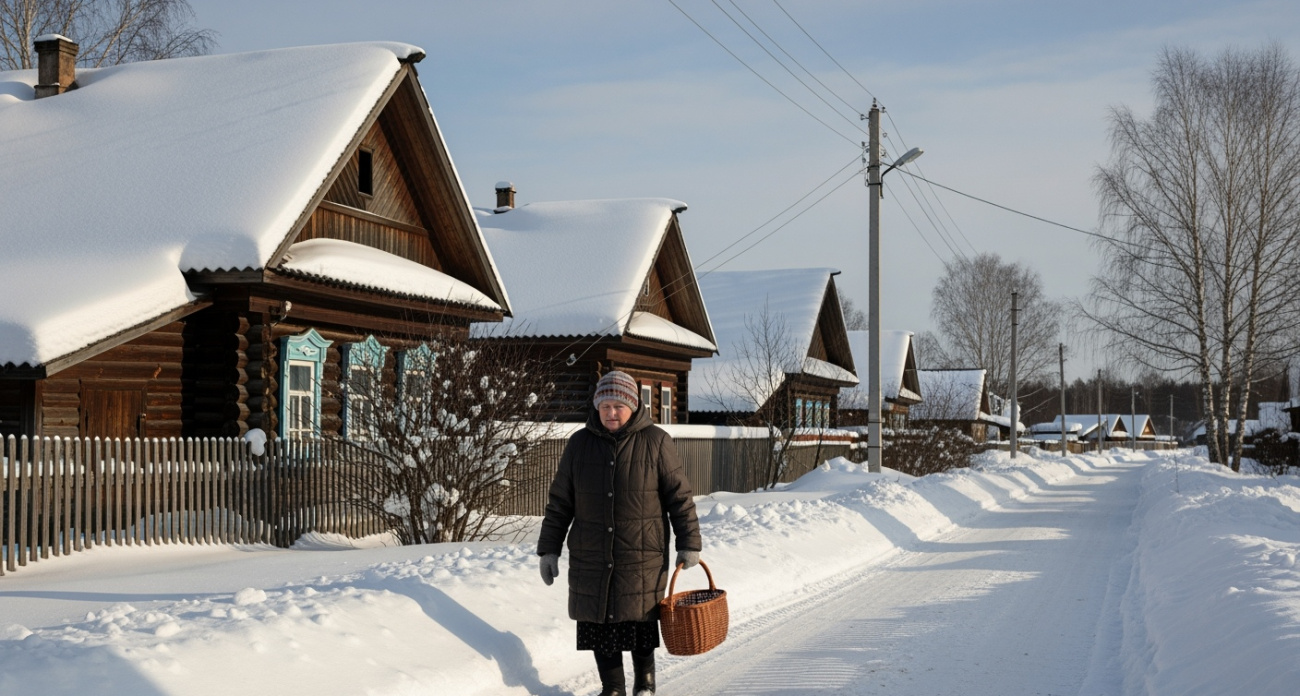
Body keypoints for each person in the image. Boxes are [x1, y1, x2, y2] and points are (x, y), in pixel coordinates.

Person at [538, 370, 702, 696]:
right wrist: (549, 549)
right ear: (596, 406)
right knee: (600, 625)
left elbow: (679, 498)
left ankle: (646, 683)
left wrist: (689, 543)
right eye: (605, 405)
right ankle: (612, 688)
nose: (612, 412)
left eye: (619, 405)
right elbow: (560, 502)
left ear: (633, 405)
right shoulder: (579, 444)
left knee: (639, 623)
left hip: (640, 554)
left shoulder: (656, 442)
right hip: (592, 554)